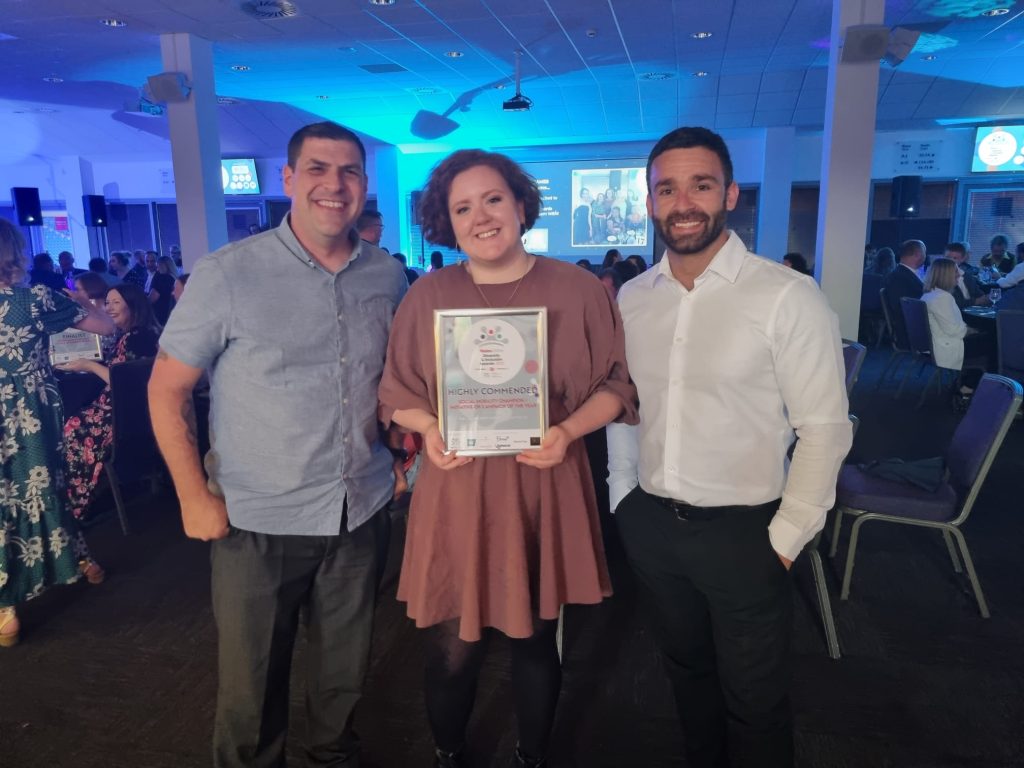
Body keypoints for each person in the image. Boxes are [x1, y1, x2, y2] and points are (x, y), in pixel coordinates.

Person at [148, 121, 408, 768]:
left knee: (342, 682)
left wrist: (408, 463)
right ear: (289, 179)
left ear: (365, 186)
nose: (334, 184)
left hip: (360, 511)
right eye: (318, 169)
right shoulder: (229, 274)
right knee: (251, 691)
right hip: (256, 520)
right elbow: (165, 390)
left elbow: (394, 386)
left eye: (349, 171)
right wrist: (190, 496)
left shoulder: (386, 276)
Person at [377, 148, 637, 768]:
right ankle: (448, 752)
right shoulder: (428, 295)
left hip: (542, 479)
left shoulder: (576, 288)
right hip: (456, 483)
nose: (481, 216)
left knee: (534, 637)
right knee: (450, 647)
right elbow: (396, 392)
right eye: (462, 207)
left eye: (493, 199)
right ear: (447, 222)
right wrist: (430, 429)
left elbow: (618, 387)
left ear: (521, 205)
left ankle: (532, 756)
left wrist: (568, 430)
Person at [607, 126, 851, 768]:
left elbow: (824, 427)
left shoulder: (786, 297)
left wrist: (787, 535)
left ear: (731, 195)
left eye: (701, 184)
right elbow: (626, 408)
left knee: (756, 703)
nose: (683, 201)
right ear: (651, 200)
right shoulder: (632, 299)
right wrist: (623, 499)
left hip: (749, 535)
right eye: (667, 187)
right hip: (653, 525)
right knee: (686, 678)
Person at [1, 217, 115, 647]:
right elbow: (107, 327)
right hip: (29, 406)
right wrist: (84, 303)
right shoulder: (36, 298)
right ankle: (79, 559)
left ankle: (4, 608)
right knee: (43, 484)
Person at [60, 283, 160, 522]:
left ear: (133, 305)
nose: (109, 308)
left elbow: (124, 385)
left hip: (125, 417)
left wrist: (89, 366)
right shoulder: (134, 334)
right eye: (107, 302)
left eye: (116, 302)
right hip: (130, 413)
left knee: (70, 426)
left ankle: (75, 504)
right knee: (74, 418)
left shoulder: (138, 338)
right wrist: (84, 301)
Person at [921, 258, 990, 392]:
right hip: (945, 347)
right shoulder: (943, 298)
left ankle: (969, 383)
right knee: (995, 344)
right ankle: (968, 387)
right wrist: (972, 330)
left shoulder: (929, 295)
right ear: (945, 276)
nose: (959, 275)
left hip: (935, 343)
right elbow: (956, 331)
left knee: (987, 340)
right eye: (956, 273)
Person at [883, 239, 925, 349]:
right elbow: (901, 308)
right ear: (918, 254)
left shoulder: (903, 274)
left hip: (912, 327)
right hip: (911, 331)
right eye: (924, 252)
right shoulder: (899, 277)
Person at [943, 242, 986, 308]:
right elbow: (952, 302)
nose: (950, 261)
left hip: (970, 313)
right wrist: (975, 301)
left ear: (962, 259)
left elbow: (981, 295)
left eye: (955, 258)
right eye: (948, 257)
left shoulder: (968, 277)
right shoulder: (939, 276)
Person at [147, 255, 178, 325]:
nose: (157, 269)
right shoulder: (174, 278)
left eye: (158, 266)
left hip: (159, 313)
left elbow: (153, 297)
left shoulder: (161, 277)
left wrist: (142, 305)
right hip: (170, 313)